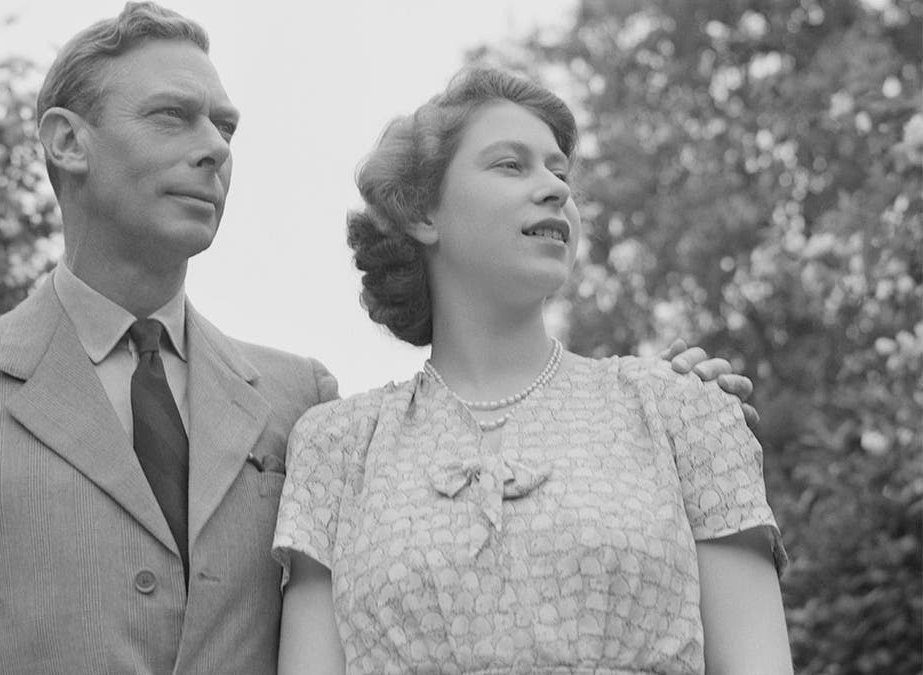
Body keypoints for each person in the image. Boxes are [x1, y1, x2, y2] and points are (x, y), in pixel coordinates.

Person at [0, 3, 758, 673]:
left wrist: (656, 410)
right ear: (68, 141)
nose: (215, 147)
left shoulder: (298, 402)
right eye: (172, 116)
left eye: (225, 126)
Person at [274, 67, 792, 674]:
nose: (554, 189)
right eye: (511, 165)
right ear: (421, 212)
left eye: (560, 172)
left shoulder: (683, 410)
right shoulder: (336, 449)